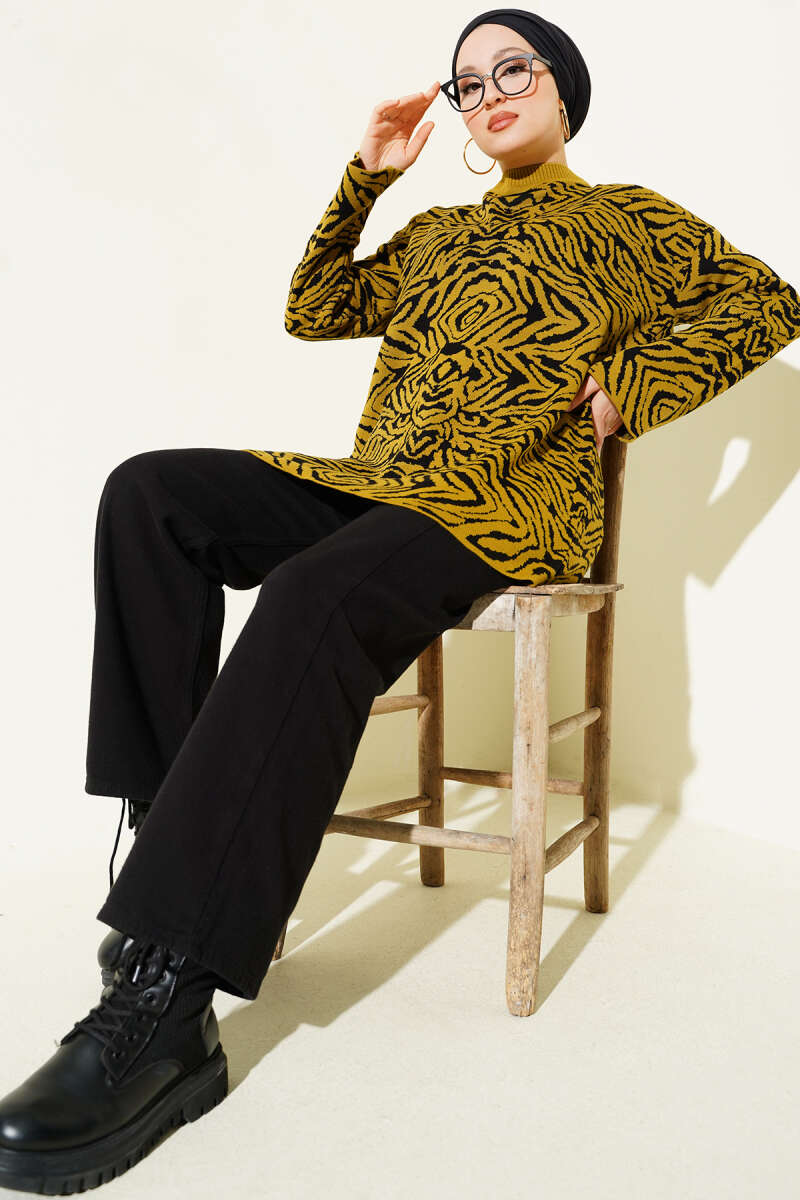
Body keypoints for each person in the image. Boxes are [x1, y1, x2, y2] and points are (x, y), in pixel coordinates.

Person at [2, 7, 800, 1193]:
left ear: (562, 89)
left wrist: (627, 386)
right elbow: (313, 307)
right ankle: (172, 850)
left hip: (505, 503)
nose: (489, 91)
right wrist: (365, 178)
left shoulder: (629, 222)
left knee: (311, 594)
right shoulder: (435, 232)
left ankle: (166, 1002)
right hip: (380, 486)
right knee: (149, 496)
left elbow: (766, 303)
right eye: (467, 81)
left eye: (514, 68)